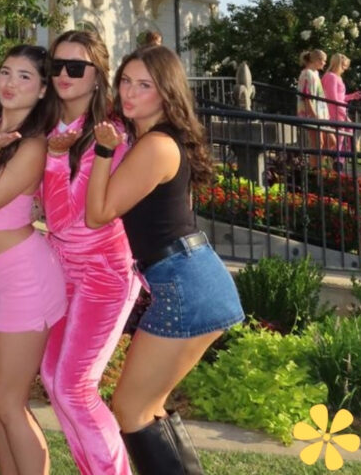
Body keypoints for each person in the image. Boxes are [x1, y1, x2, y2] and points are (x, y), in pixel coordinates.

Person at [86, 44, 244, 475]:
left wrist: (103, 151)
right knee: (147, 406)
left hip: (183, 283)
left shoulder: (156, 145)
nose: (129, 93)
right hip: (190, 276)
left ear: (166, 92)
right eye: (125, 82)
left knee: (130, 408)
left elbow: (98, 213)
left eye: (145, 85)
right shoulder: (160, 140)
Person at [39, 30, 141, 475]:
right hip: (62, 267)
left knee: (76, 388)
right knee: (52, 379)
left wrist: (53, 159)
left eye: (76, 67)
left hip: (103, 271)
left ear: (98, 75)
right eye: (56, 66)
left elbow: (64, 218)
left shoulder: (109, 135)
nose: (63, 74)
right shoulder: (51, 125)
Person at [0, 44, 66, 475]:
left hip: (26, 279)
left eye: (25, 76)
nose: (10, 82)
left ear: (43, 90)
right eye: (5, 72)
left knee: (8, 401)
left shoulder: (32, 145)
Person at [321, 53, 361, 168]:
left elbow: (339, 97)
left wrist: (352, 96)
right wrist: (344, 114)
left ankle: (338, 159)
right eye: (344, 66)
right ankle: (336, 158)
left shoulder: (336, 77)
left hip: (338, 110)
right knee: (342, 135)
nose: (345, 68)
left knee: (344, 135)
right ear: (338, 64)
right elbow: (332, 98)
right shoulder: (331, 77)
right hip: (334, 111)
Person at [297, 49, 332, 166]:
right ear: (316, 60)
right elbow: (306, 96)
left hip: (320, 113)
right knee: (317, 143)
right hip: (312, 114)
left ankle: (318, 167)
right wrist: (313, 115)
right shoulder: (307, 74)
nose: (324, 63)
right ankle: (315, 170)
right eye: (323, 61)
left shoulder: (315, 73)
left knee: (330, 141)